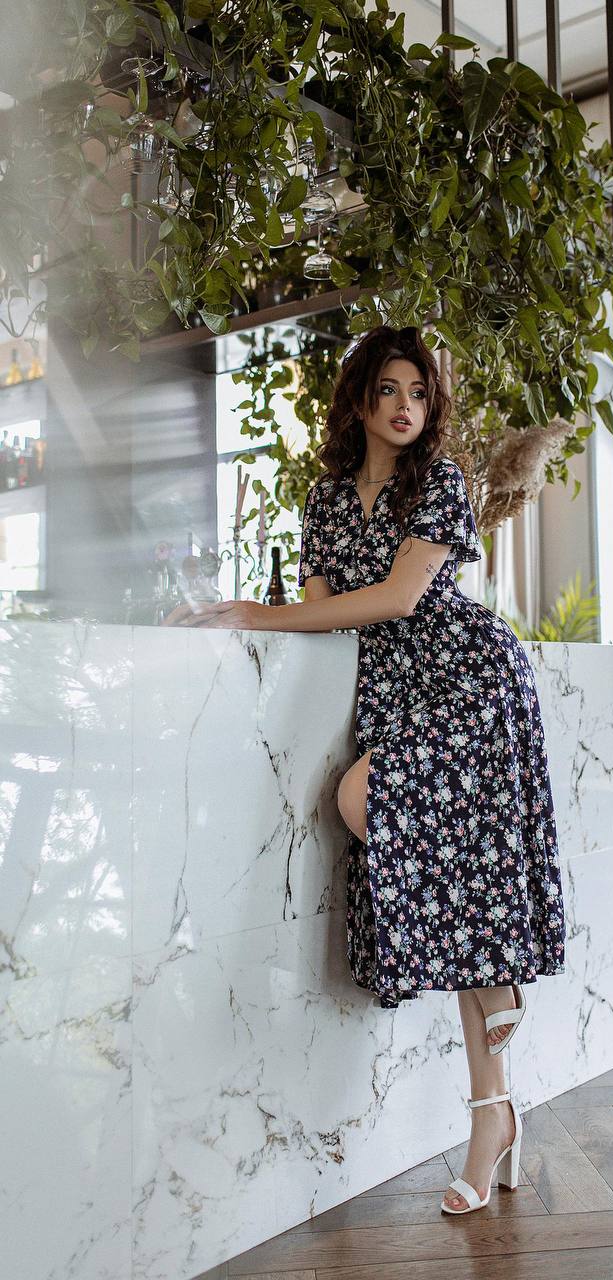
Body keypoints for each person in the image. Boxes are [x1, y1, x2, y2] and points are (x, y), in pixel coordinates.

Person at [163, 324, 567, 1215]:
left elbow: (395, 599)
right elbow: (323, 611)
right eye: (388, 390)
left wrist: (255, 617)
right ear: (358, 399)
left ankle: (491, 1098)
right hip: (392, 691)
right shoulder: (324, 500)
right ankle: (493, 1112)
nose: (405, 408)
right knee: (451, 877)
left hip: (465, 680)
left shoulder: (442, 484)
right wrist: (262, 624)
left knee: (367, 799)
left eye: (418, 394)